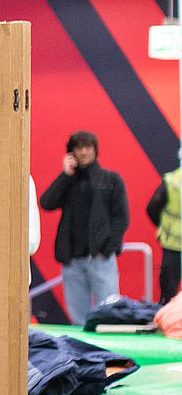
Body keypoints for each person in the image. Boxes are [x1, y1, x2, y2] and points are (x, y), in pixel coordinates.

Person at [39, 131, 130, 327]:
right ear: (72, 153)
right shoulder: (69, 181)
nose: (84, 152)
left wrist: (107, 250)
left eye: (88, 147)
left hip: (100, 260)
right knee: (79, 321)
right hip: (72, 261)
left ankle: (111, 356)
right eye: (79, 148)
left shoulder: (111, 179)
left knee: (110, 317)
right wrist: (65, 174)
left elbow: (122, 218)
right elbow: (46, 203)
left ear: (96, 150)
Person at [146, 165, 180, 302]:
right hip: (173, 247)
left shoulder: (172, 180)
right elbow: (152, 208)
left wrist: (167, 230)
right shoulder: (173, 181)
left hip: (172, 244)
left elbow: (152, 208)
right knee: (169, 292)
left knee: (168, 295)